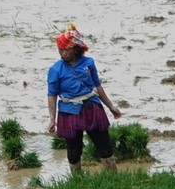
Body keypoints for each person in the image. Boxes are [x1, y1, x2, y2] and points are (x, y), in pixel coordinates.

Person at [46, 26, 122, 174]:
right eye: (60, 50)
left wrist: (111, 107)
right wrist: (51, 119)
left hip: (92, 108)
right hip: (69, 112)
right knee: (74, 152)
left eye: (66, 50)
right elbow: (52, 95)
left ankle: (114, 178)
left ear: (75, 49)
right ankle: (77, 181)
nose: (63, 53)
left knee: (105, 147)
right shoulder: (55, 70)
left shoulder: (89, 63)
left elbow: (97, 86)